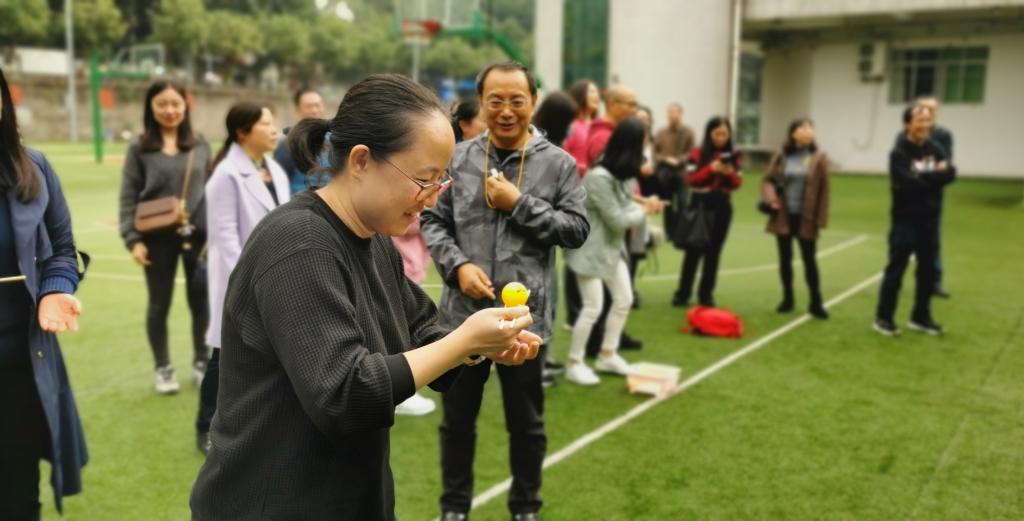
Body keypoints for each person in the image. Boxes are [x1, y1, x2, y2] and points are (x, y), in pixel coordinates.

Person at [189, 73, 541, 521]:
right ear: (361, 160)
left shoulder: (372, 238)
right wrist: (463, 342)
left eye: (441, 181)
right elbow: (344, 395)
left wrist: (482, 345)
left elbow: (421, 328)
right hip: (273, 502)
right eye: (424, 179)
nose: (432, 200)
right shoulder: (300, 243)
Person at [421, 61, 589, 521]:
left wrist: (519, 204)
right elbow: (432, 218)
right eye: (495, 100)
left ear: (533, 101)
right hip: (462, 317)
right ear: (481, 102)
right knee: (457, 421)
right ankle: (454, 508)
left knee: (527, 424)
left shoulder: (558, 164)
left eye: (517, 100)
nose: (506, 111)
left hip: (524, 323)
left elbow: (576, 229)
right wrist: (458, 267)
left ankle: (525, 507)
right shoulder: (459, 158)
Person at [0, 65, 88, 520]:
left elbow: (61, 251)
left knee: (17, 496)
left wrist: (55, 289)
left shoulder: (32, 167)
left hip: (19, 365)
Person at [194, 102, 290, 454]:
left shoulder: (274, 170)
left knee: (262, 356)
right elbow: (225, 239)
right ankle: (206, 426)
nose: (274, 129)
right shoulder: (226, 174)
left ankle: (256, 423)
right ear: (242, 133)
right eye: (265, 123)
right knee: (223, 356)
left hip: (274, 277)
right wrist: (250, 282)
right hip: (239, 282)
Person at [119, 80, 211, 394]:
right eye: (162, 104)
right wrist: (133, 240)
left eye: (176, 103)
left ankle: (201, 361)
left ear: (186, 106)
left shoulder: (200, 144)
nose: (170, 110)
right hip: (155, 237)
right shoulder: (139, 148)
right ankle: (163, 367)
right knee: (159, 304)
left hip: (196, 236)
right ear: (151, 107)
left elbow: (211, 190)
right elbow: (128, 196)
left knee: (200, 302)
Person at [565, 118, 655, 385]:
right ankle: (574, 362)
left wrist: (641, 206)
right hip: (589, 250)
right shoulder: (599, 177)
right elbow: (617, 219)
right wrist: (645, 209)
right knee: (593, 307)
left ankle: (608, 354)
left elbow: (624, 206)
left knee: (624, 299)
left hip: (611, 249)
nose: (646, 147)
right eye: (643, 142)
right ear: (632, 145)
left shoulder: (624, 171)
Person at [873, 104, 955, 337]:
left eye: (928, 120)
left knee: (927, 271)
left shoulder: (935, 147)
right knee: (896, 270)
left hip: (929, 220)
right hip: (905, 221)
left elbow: (951, 173)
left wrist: (923, 175)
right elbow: (909, 184)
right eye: (920, 120)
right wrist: (935, 175)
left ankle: (920, 317)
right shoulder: (899, 152)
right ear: (908, 124)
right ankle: (884, 318)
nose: (925, 125)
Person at [761, 118, 830, 319]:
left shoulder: (818, 158)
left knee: (810, 260)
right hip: (784, 214)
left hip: (806, 216)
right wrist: (771, 199)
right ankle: (788, 298)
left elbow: (824, 190)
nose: (807, 131)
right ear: (793, 133)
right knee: (785, 259)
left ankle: (816, 302)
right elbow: (768, 180)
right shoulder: (782, 156)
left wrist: (820, 218)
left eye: (810, 128)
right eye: (802, 128)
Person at [672, 116, 743, 308]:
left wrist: (729, 173)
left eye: (724, 134)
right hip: (700, 205)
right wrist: (710, 169)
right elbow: (690, 179)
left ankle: (706, 295)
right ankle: (682, 293)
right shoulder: (697, 153)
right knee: (693, 251)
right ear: (709, 133)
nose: (720, 138)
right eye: (716, 134)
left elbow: (738, 183)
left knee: (714, 252)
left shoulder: (734, 155)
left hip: (722, 206)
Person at [913, 95, 953, 299]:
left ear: (936, 112)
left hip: (933, 197)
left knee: (932, 240)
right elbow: (905, 164)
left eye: (932, 109)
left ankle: (934, 281)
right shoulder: (907, 134)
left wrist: (923, 171)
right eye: (923, 108)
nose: (927, 112)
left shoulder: (943, 135)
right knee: (904, 240)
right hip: (909, 196)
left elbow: (944, 165)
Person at [273, 87, 327, 194]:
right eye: (309, 106)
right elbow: (277, 184)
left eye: (318, 105)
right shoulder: (288, 144)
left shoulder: (334, 139)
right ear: (297, 109)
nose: (315, 110)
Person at [563, 79, 601, 176]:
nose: (597, 96)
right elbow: (561, 158)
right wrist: (582, 168)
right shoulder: (571, 126)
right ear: (580, 95)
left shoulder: (599, 126)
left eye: (597, 92)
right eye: (592, 91)